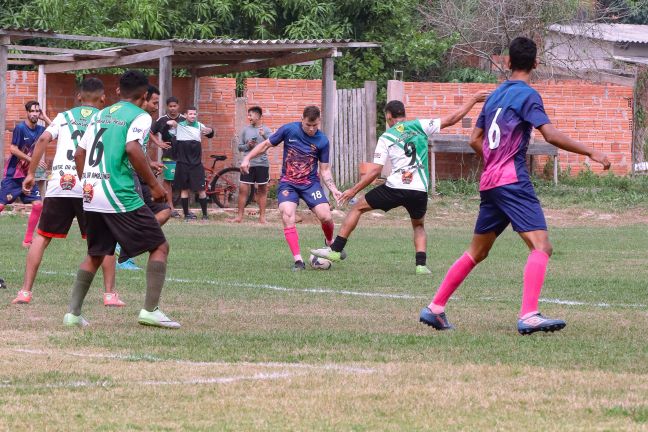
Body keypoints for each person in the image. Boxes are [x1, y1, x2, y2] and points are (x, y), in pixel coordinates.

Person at [418, 37, 611, 335]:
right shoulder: (528, 95)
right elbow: (550, 135)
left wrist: (493, 162)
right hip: (512, 181)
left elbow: (474, 140)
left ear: (508, 62)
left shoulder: (494, 96)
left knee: (476, 252)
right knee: (541, 246)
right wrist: (591, 151)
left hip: (490, 182)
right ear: (536, 63)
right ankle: (529, 314)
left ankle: (436, 308)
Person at [311, 95, 489, 274]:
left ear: (388, 116)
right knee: (418, 225)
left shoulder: (386, 136)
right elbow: (451, 119)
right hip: (419, 190)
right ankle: (421, 265)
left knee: (357, 207)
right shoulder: (420, 126)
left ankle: (335, 250)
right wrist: (473, 100)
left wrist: (353, 190)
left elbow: (374, 171)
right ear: (404, 114)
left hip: (395, 187)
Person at [63, 70, 180, 329]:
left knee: (96, 253)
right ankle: (150, 310)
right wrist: (154, 185)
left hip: (92, 194)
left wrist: (88, 184)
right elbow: (132, 148)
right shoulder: (139, 116)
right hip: (119, 193)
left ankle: (73, 314)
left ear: (119, 91)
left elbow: (79, 154)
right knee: (160, 246)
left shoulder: (101, 114)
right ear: (144, 95)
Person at [14, 78, 125, 306]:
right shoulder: (106, 119)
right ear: (103, 98)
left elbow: (44, 138)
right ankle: (109, 295)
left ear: (78, 97)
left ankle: (25, 292)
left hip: (60, 186)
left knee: (42, 237)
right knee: (104, 241)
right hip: (90, 186)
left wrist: (32, 173)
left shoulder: (64, 117)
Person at [241, 105, 342, 271]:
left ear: (319, 122)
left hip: (310, 184)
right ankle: (298, 261)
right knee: (287, 214)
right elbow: (266, 144)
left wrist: (333, 189)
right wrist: (247, 158)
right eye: (308, 125)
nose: (311, 129)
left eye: (315, 125)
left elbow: (324, 169)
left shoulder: (322, 140)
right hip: (289, 183)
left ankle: (330, 241)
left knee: (326, 216)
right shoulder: (289, 130)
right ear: (301, 120)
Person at [115, 85, 172, 271]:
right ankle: (125, 256)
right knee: (138, 218)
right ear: (143, 99)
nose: (157, 107)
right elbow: (131, 148)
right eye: (154, 102)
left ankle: (125, 242)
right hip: (128, 176)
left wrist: (149, 164)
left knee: (165, 210)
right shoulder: (135, 118)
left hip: (139, 175)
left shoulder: (144, 120)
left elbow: (140, 148)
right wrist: (152, 181)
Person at [0, 100, 51, 248]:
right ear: (27, 113)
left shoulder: (41, 130)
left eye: (37, 111)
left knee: (37, 205)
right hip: (13, 175)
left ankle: (27, 241)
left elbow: (56, 130)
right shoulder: (20, 128)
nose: (35, 114)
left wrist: (45, 117)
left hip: (28, 175)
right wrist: (32, 159)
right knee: (2, 205)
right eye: (32, 111)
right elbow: (13, 149)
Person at [168, 107, 214, 221]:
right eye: (190, 114)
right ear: (185, 115)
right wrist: (172, 123)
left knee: (201, 191)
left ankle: (205, 215)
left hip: (196, 164)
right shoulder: (179, 126)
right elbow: (169, 127)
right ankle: (186, 215)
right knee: (184, 190)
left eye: (194, 114)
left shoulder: (199, 125)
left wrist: (210, 130)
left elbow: (210, 133)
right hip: (182, 164)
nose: (193, 116)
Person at [233, 106, 272, 224]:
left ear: (259, 116)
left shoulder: (267, 130)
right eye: (248, 115)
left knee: (262, 190)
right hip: (248, 164)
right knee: (243, 190)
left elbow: (272, 143)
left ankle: (262, 218)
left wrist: (264, 135)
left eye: (251, 115)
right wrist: (248, 146)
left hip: (262, 164)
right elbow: (240, 147)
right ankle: (239, 217)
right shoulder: (245, 130)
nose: (249, 117)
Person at [150, 96, 185, 217]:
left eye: (174, 106)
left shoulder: (184, 119)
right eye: (170, 106)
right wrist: (158, 143)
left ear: (178, 106)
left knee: (184, 180)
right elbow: (150, 132)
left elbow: (193, 132)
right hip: (169, 155)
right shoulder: (161, 120)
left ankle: (185, 208)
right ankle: (171, 207)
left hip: (183, 155)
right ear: (167, 107)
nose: (172, 108)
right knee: (168, 181)